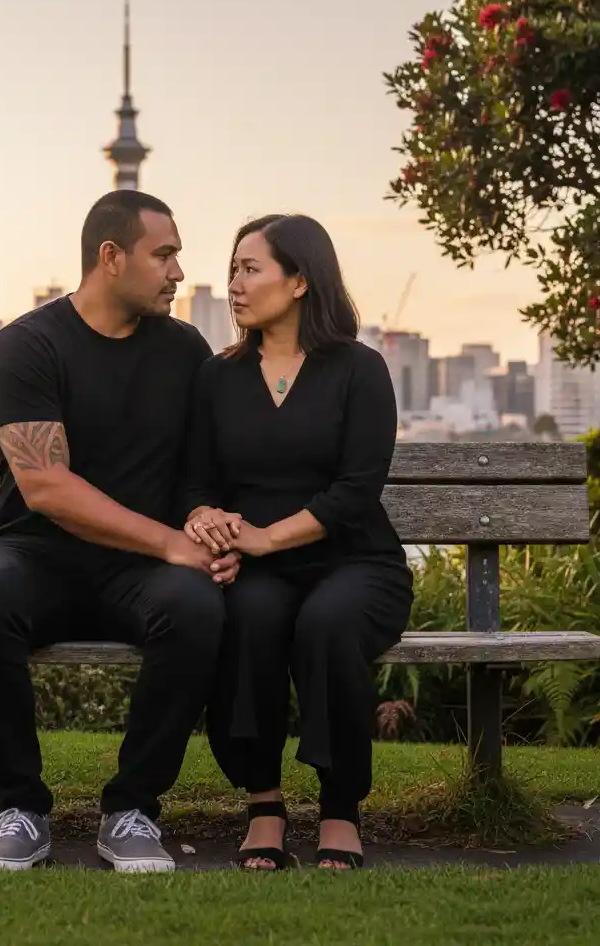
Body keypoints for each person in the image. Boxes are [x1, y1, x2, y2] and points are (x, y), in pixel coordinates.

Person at [0, 190, 240, 874]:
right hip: (37, 555)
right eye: (163, 254)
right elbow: (46, 487)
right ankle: (18, 810)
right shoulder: (30, 343)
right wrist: (171, 542)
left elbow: (199, 470)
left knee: (197, 608)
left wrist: (200, 522)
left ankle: (132, 810)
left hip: (135, 571)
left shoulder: (184, 349)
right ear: (111, 257)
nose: (177, 272)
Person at [184, 213, 414, 871]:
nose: (233, 283)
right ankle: (263, 801)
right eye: (232, 268)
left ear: (301, 281)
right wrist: (209, 522)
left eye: (250, 268)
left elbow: (355, 491)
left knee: (328, 621)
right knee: (249, 616)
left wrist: (263, 538)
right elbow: (196, 482)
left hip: (357, 562)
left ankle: (341, 806)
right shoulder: (218, 376)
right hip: (260, 572)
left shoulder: (359, 370)